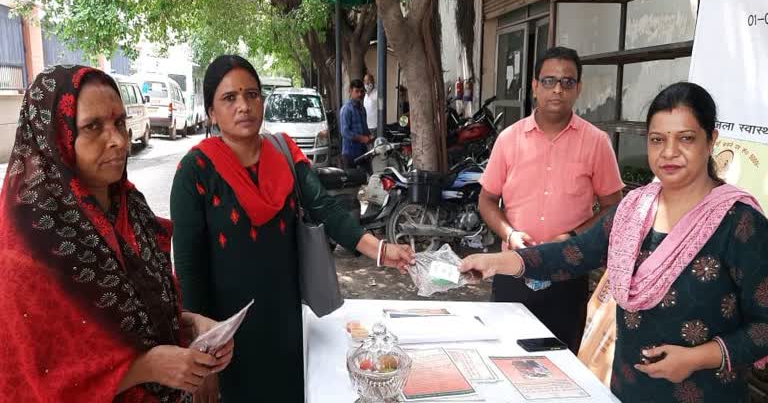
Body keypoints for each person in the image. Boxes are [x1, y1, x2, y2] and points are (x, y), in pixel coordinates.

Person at [461, 82, 768, 403]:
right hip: (627, 392)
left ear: (711, 140)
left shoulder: (740, 224)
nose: (669, 152)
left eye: (686, 138)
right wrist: (497, 262)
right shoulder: (634, 209)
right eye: (657, 140)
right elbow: (572, 254)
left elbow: (764, 327)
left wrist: (696, 358)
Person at [171, 55, 414, 402]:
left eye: (251, 95)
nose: (243, 106)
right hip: (225, 337)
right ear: (211, 111)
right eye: (229, 98)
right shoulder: (195, 172)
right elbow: (190, 271)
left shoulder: (282, 153)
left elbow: (326, 208)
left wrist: (380, 249)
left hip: (285, 322)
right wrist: (200, 357)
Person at [0, 66, 232, 402]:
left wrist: (193, 326)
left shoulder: (130, 207)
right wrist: (145, 368)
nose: (119, 141)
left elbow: (138, 316)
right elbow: (34, 375)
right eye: (93, 127)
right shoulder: (27, 245)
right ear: (55, 137)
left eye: (120, 123)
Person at [478, 46, 624, 353]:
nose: (557, 89)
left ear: (578, 88)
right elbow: (487, 200)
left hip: (568, 275)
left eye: (567, 82)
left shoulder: (596, 142)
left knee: (561, 362)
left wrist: (572, 238)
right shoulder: (509, 139)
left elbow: (614, 206)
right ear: (534, 86)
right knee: (505, 354)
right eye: (548, 81)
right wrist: (510, 233)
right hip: (512, 267)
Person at [339, 78, 372, 169]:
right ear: (350, 91)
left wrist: (370, 136)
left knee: (366, 178)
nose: (359, 94)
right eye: (356, 91)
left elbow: (364, 128)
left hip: (363, 152)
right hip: (349, 153)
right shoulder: (346, 109)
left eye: (361, 92)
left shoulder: (362, 109)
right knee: (351, 181)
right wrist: (362, 138)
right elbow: (345, 133)